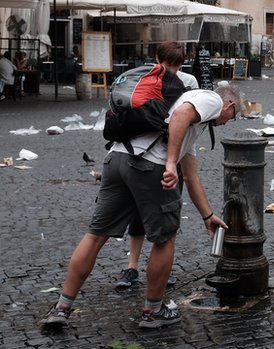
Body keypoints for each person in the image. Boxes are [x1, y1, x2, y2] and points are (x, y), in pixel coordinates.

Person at [39, 76, 242, 330]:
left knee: (95, 235)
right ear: (230, 104)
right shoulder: (211, 99)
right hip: (150, 166)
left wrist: (207, 215)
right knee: (164, 238)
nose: (225, 123)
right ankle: (153, 312)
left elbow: (190, 177)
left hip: (117, 160)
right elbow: (180, 116)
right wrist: (169, 163)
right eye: (230, 117)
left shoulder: (186, 128)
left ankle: (62, 307)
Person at [114, 42, 201, 289]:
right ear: (183, 61)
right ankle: (161, 269)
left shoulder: (142, 75)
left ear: (155, 57)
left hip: (135, 153)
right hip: (171, 157)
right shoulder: (189, 81)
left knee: (138, 215)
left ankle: (132, 267)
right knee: (165, 218)